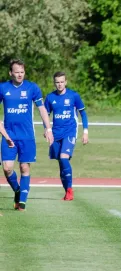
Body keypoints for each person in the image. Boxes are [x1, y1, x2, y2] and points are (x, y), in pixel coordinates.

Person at [0, 59, 54, 211]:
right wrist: (4, 134)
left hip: (27, 136)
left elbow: (42, 109)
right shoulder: (3, 88)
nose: (19, 75)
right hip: (9, 136)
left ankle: (22, 201)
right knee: (7, 168)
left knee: (24, 168)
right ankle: (18, 189)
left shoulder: (32, 88)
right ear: (10, 73)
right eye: (16, 72)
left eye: (22, 72)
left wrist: (48, 128)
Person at [44, 71, 89, 201]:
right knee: (61, 164)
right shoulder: (50, 97)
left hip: (70, 132)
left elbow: (83, 114)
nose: (60, 84)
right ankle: (67, 191)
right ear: (54, 83)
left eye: (62, 82)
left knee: (64, 158)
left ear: (66, 82)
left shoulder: (73, 96)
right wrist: (47, 129)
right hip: (55, 134)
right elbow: (45, 115)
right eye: (57, 82)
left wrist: (85, 131)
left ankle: (70, 190)